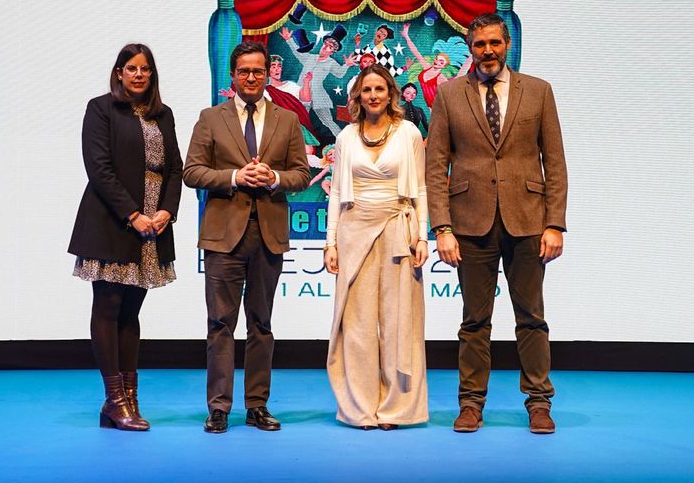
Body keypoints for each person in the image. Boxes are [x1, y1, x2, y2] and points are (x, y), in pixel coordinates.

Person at [426, 13, 568, 434]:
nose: (487, 51)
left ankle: (539, 403)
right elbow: (435, 165)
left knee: (532, 319)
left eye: (494, 43)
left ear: (507, 45)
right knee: (474, 322)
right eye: (479, 44)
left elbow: (554, 162)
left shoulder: (538, 91)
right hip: (470, 224)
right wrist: (442, 228)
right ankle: (471, 404)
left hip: (528, 221)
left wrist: (555, 223)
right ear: (470, 49)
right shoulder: (449, 94)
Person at [184, 40, 309, 434]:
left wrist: (274, 178)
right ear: (233, 75)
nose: (251, 77)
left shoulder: (287, 120)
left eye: (258, 71)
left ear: (268, 74)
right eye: (244, 71)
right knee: (220, 324)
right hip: (223, 236)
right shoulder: (211, 118)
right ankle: (219, 407)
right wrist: (236, 176)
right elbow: (192, 172)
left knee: (261, 324)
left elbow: (301, 174)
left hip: (267, 235)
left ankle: (257, 405)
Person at [66, 43, 183, 432]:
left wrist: (166, 211)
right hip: (113, 221)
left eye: (145, 69)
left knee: (132, 312)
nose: (138, 74)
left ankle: (129, 399)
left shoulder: (163, 114)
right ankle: (115, 400)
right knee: (109, 305)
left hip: (153, 225)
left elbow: (175, 168)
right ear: (119, 73)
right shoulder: (101, 109)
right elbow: (98, 167)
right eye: (131, 68)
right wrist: (132, 214)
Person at [322, 67, 430, 429]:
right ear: (357, 96)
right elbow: (337, 192)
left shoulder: (409, 132)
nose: (373, 95)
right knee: (357, 324)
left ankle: (397, 408)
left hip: (399, 230)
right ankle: (361, 406)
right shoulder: (346, 137)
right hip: (354, 232)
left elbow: (421, 189)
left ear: (390, 94)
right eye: (366, 89)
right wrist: (330, 242)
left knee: (400, 322)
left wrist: (422, 236)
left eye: (379, 89)